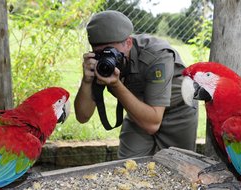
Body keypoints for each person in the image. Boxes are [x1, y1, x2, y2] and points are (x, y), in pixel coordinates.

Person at [74, 10, 198, 159]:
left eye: (111, 51)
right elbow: (82, 116)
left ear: (128, 43)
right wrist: (87, 81)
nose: (108, 58)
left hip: (177, 111)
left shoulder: (157, 55)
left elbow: (152, 124)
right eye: (101, 52)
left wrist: (116, 85)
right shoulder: (100, 64)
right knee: (128, 167)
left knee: (178, 166)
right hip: (138, 108)